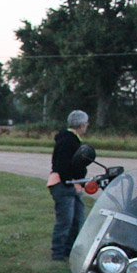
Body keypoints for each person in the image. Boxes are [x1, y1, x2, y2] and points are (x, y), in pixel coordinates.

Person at [48, 110, 90, 260]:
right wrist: (70, 182)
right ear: (81, 124)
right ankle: (58, 253)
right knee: (65, 221)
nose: (87, 126)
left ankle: (69, 250)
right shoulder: (67, 141)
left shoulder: (73, 139)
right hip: (64, 185)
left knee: (77, 219)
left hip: (73, 185)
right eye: (86, 123)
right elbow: (62, 166)